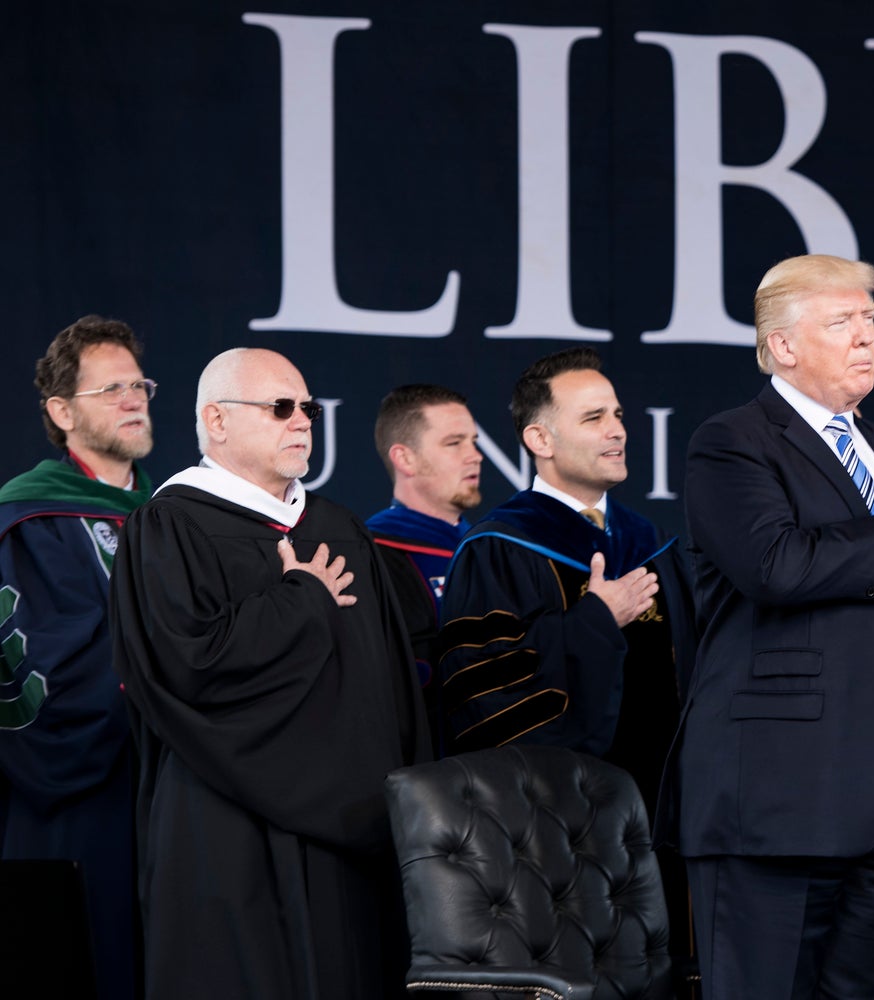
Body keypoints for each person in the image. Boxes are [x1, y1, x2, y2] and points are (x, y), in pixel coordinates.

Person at [668, 254, 874, 999]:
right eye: (842, 322)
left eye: (869, 321)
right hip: (776, 798)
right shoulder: (733, 441)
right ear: (782, 345)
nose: (865, 338)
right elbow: (773, 565)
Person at [111, 348, 431, 998]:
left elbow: (393, 692)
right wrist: (300, 603)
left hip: (352, 837)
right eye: (280, 407)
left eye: (307, 408)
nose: (303, 421)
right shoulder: (170, 525)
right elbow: (184, 669)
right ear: (216, 420)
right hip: (228, 828)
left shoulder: (341, 529)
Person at [434, 347, 696, 952]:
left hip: (662, 818)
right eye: (594, 418)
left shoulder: (652, 545)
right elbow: (483, 694)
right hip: (554, 828)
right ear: (540, 439)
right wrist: (595, 621)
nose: (617, 430)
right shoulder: (500, 547)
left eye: (618, 415)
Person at [0, 316, 155, 1000]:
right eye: (111, 389)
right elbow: (48, 668)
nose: (133, 399)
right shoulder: (31, 519)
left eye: (139, 385)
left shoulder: (169, 516)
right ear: (62, 413)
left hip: (171, 797)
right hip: (81, 796)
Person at [365, 384, 483, 700]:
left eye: (473, 442)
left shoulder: (492, 549)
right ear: (405, 458)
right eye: (454, 443)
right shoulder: (372, 557)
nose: (475, 456)